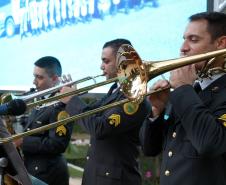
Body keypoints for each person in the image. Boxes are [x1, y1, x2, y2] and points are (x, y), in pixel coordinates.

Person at [140, 12, 226, 185]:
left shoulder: (186, 91)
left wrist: (183, 89)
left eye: (193, 40)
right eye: (184, 39)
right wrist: (157, 111)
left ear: (220, 43)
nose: (183, 48)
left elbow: (210, 143)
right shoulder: (189, 91)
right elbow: (150, 148)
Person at [61, 38, 151, 185]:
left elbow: (100, 128)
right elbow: (92, 113)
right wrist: (74, 96)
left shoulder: (134, 98)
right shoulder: (115, 91)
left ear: (123, 63)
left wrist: (72, 100)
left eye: (106, 61)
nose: (101, 66)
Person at [14, 56, 74, 185]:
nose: (34, 82)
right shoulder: (40, 100)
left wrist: (23, 141)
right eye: (34, 76)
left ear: (54, 79)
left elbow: (57, 144)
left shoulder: (62, 103)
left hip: (48, 174)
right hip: (32, 169)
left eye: (39, 77)